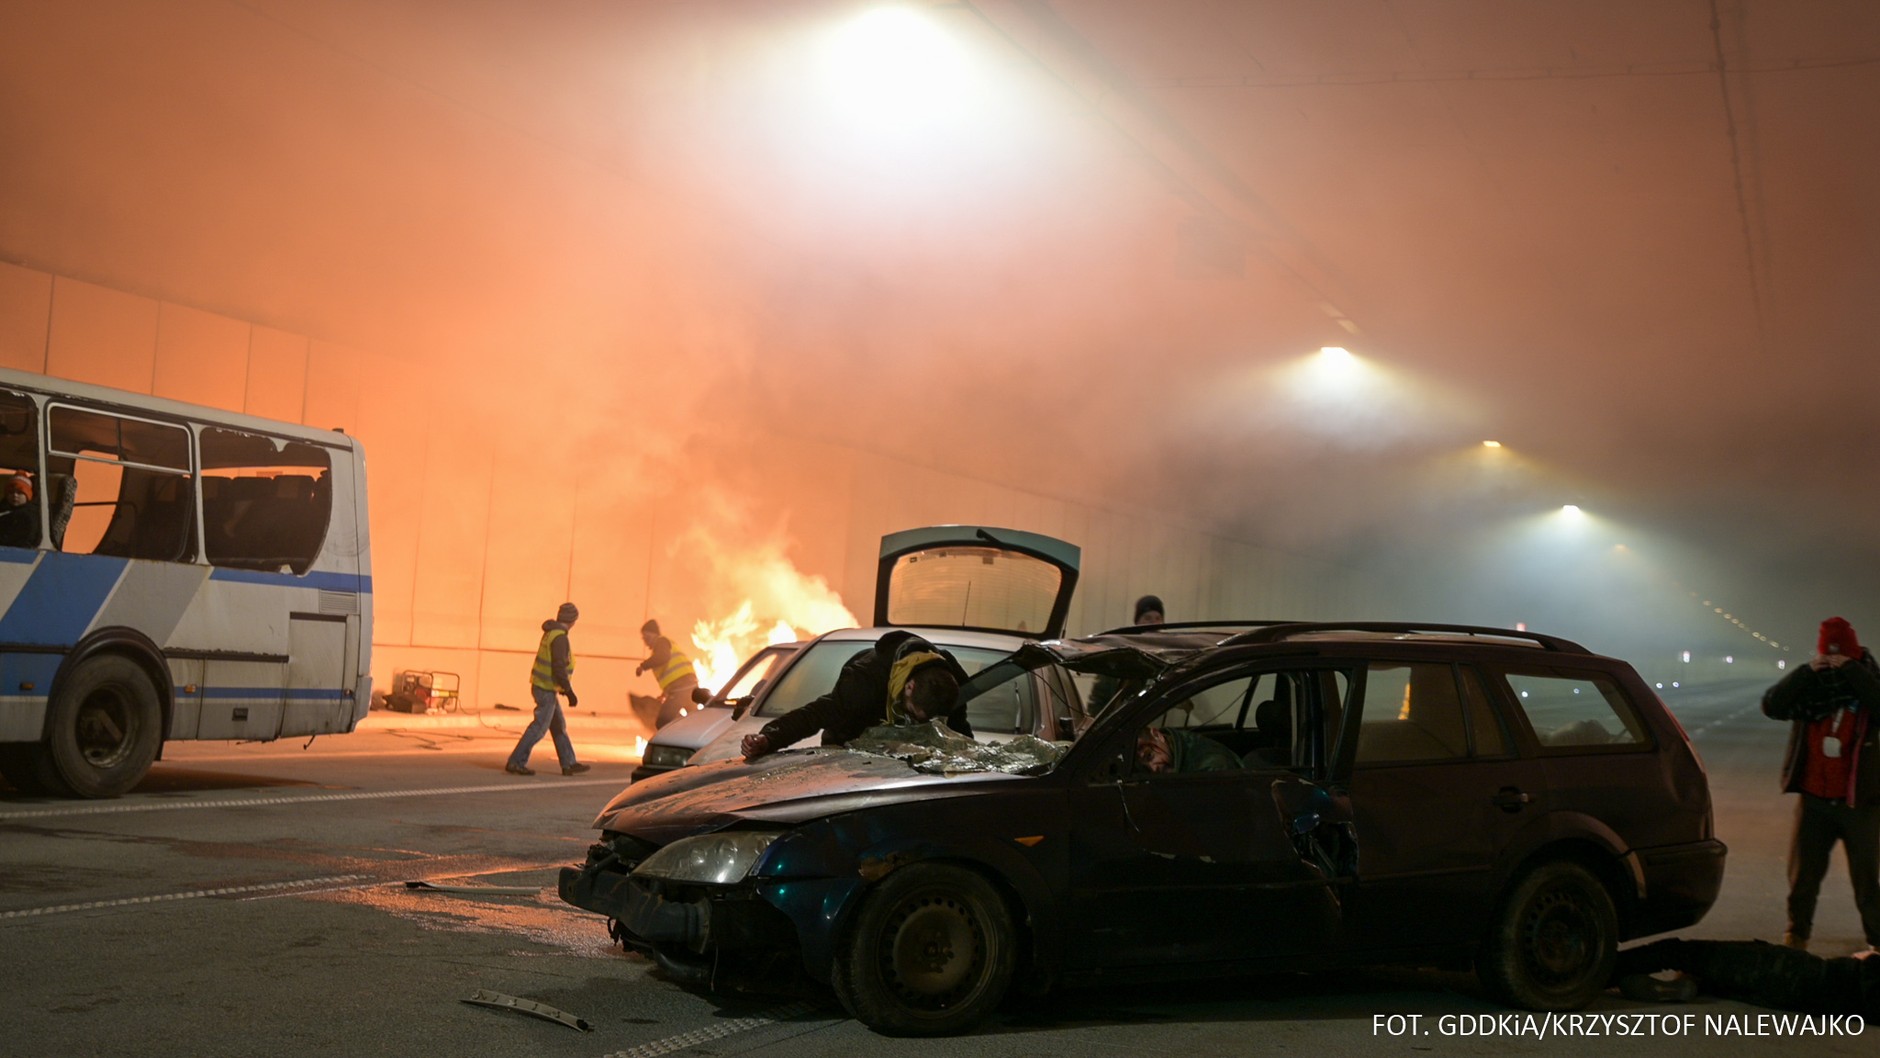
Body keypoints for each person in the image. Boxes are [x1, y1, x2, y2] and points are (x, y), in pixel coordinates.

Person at [1761, 616, 1880, 953]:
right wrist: (1808, 670)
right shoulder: (1811, 687)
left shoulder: (1868, 682)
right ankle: (1796, 937)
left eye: (1839, 657)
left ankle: (1878, 942)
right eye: (1828, 657)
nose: (1834, 665)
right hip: (1815, 800)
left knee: (1866, 882)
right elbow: (1773, 705)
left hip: (1859, 802)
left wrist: (1853, 670)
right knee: (1803, 880)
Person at [742, 630, 972, 761]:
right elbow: (818, 713)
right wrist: (769, 738)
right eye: (912, 713)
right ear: (909, 687)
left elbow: (958, 728)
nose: (917, 724)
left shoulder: (951, 679)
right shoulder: (864, 680)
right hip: (848, 751)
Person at [1611, 938, 1877, 1022]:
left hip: (1801, 974)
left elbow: (1868, 985)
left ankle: (1594, 969)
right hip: (1797, 998)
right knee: (1723, 974)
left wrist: (1868, 960)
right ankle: (1692, 984)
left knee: (1684, 952)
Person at [505, 602, 590, 776]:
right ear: (573, 620)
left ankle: (569, 763)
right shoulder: (560, 638)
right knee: (539, 728)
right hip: (545, 689)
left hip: (544, 686)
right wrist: (569, 691)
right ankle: (516, 761)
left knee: (558, 726)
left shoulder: (552, 633)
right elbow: (558, 666)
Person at [635, 619, 699, 729]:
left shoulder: (661, 642)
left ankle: (676, 740)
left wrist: (643, 666)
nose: (644, 639)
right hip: (688, 687)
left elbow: (663, 657)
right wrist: (665, 694)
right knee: (695, 720)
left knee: (663, 721)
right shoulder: (662, 645)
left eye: (645, 635)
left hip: (681, 689)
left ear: (652, 634)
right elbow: (671, 674)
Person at [1135, 724, 1244, 773]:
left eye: (1150, 756)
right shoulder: (1176, 748)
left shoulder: (1211, 768)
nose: (1153, 769)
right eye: (1146, 768)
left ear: (1158, 735)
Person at [0, 474, 37, 549]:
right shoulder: (4, 509)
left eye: (20, 492)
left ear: (27, 496)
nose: (15, 495)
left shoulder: (28, 516)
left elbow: (12, 539)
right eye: (11, 492)